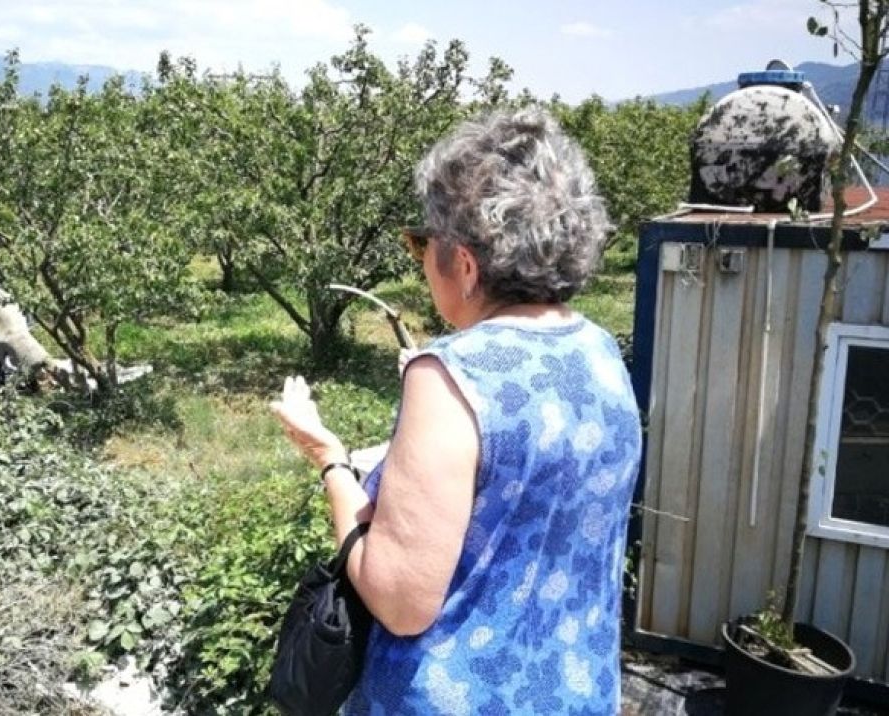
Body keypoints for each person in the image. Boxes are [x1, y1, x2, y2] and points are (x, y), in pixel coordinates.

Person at [271, 107, 642, 715]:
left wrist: (329, 461)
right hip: (574, 694)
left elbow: (398, 597)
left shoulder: (448, 376)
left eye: (423, 242)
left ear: (465, 264)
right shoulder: (598, 350)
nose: (420, 260)